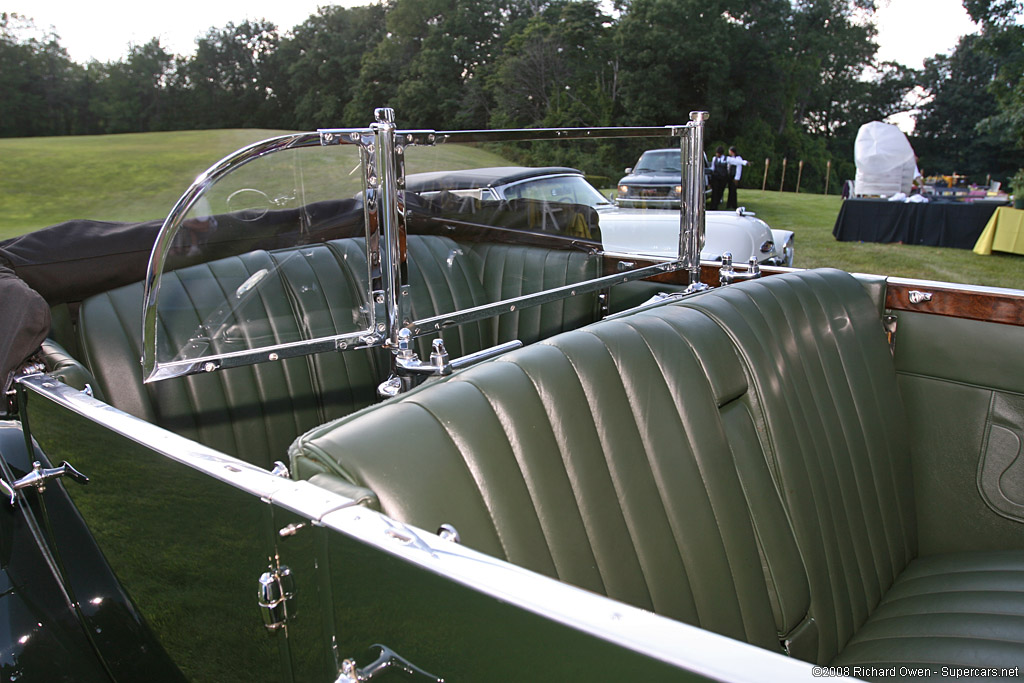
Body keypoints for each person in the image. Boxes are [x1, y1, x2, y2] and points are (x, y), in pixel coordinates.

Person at [708, 146, 730, 210]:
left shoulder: (726, 159)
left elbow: (733, 163)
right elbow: (713, 168)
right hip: (716, 178)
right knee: (715, 192)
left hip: (723, 179)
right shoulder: (714, 159)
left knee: (720, 192)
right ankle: (713, 206)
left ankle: (717, 203)